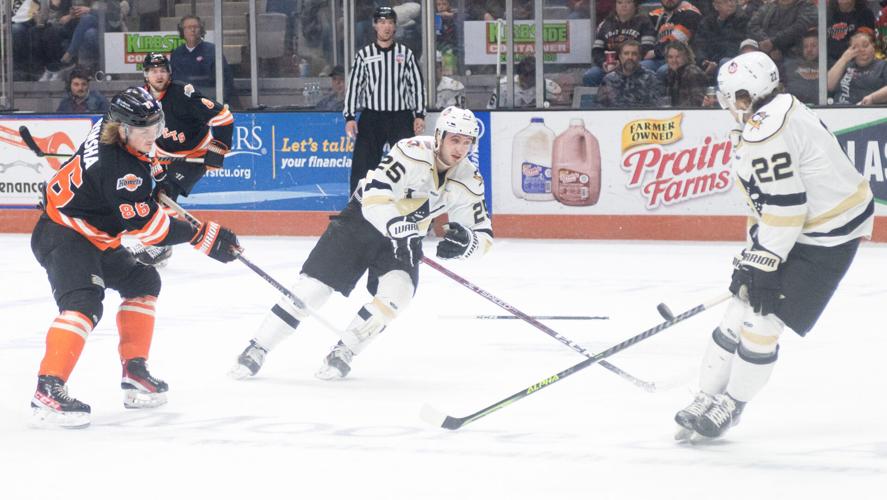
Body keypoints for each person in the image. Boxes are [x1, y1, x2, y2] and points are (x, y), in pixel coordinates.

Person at [674, 52, 873, 440]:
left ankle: (732, 404)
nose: (727, 104)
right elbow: (763, 203)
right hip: (797, 229)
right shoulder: (772, 112)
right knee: (737, 311)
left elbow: (787, 205)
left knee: (763, 322)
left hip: (829, 236)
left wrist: (765, 263)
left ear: (746, 96)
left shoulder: (768, 131)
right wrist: (754, 255)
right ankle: (705, 395)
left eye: (730, 96)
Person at [230, 106, 493, 381]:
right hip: (362, 221)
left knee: (398, 294)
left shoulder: (469, 179)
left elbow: (484, 236)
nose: (460, 149)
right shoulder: (410, 151)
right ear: (439, 136)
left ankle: (344, 350)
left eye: (467, 142)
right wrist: (395, 226)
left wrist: (468, 245)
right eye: (455, 139)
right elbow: (375, 197)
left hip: (404, 238)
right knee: (313, 290)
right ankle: (258, 347)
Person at [29, 87, 241, 429]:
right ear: (123, 129)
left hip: (94, 234)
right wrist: (202, 236)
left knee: (143, 281)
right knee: (84, 304)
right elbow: (152, 231)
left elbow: (146, 175)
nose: (152, 135)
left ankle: (134, 371)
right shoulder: (121, 172)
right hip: (64, 234)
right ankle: (48, 387)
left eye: (156, 126)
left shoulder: (108, 128)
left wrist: (158, 183)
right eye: (143, 130)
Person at [131, 52, 235, 266]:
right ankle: (161, 242)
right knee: (152, 197)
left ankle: (159, 246)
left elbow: (224, 117)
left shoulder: (184, 94)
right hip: (162, 155)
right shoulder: (140, 98)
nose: (158, 75)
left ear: (169, 74)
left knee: (166, 193)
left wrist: (216, 152)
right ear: (146, 74)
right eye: (153, 71)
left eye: (162, 71)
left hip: (193, 156)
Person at [344, 5, 427, 195]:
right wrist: (349, 117)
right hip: (373, 116)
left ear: (395, 26)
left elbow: (417, 85)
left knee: (408, 162)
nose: (386, 27)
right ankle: (358, 207)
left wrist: (420, 114)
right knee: (364, 163)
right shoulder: (364, 55)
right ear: (375, 26)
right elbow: (354, 86)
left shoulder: (406, 54)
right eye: (382, 22)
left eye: (390, 22)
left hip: (401, 117)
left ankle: (411, 206)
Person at [583, 0, 657, 86]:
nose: (623, 5)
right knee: (591, 75)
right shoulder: (606, 24)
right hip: (610, 65)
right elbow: (597, 50)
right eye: (620, 2)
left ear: (635, 5)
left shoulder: (644, 22)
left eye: (628, 2)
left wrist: (622, 63)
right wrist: (604, 63)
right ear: (615, 6)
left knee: (646, 66)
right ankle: (601, 98)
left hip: (634, 63)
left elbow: (646, 48)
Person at [168, 15, 237, 104]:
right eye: (188, 27)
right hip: (183, 102)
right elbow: (173, 80)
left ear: (201, 30)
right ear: (182, 31)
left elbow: (226, 80)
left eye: (196, 27)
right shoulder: (176, 53)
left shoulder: (212, 51)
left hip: (209, 101)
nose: (192, 30)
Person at [596, 40, 666, 107]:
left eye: (634, 54)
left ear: (639, 57)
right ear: (620, 56)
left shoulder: (651, 78)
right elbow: (599, 107)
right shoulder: (608, 80)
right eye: (626, 53)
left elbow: (658, 107)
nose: (630, 57)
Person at [827, 31, 887, 104]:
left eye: (865, 46)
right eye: (855, 48)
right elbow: (828, 85)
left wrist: (873, 98)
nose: (862, 50)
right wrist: (844, 59)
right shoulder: (845, 65)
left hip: (868, 111)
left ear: (873, 47)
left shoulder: (882, 66)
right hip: (838, 110)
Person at [746, 0, 816, 63]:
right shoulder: (769, 7)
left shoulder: (807, 7)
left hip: (792, 56)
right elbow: (752, 26)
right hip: (765, 54)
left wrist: (774, 42)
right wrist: (769, 45)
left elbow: (799, 27)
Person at [694, 0, 749, 77]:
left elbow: (733, 46)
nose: (730, 4)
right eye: (725, 1)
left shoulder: (742, 20)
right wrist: (703, 61)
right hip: (709, 63)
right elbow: (699, 44)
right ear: (715, 5)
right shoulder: (707, 22)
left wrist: (715, 62)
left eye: (732, 1)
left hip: (731, 63)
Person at [648, 0, 703, 77]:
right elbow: (647, 40)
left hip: (681, 59)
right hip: (659, 58)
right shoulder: (654, 15)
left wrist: (654, 52)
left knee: (663, 72)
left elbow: (676, 44)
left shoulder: (691, 14)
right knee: (643, 66)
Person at [498, 56, 563, 107]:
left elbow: (559, 106)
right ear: (519, 74)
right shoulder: (503, 87)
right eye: (524, 75)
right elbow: (491, 112)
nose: (526, 80)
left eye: (531, 76)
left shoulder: (546, 85)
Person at [826, 0, 876, 65]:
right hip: (828, 65)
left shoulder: (866, 14)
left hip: (856, 65)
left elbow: (867, 47)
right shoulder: (826, 15)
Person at [663, 41, 708, 107]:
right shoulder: (671, 73)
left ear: (686, 57)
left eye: (678, 56)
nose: (674, 60)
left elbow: (697, 102)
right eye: (670, 57)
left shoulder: (693, 73)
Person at [783, 31, 821, 104]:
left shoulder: (829, 66)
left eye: (813, 45)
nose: (809, 49)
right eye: (806, 46)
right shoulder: (790, 66)